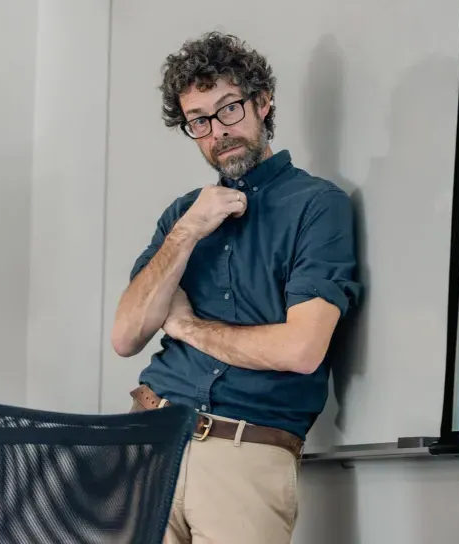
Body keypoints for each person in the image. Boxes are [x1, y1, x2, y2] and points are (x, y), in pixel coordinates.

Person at [110, 31, 361, 543]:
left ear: (263, 102)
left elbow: (301, 349)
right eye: (198, 121)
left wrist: (187, 327)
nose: (217, 132)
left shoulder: (317, 205)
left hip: (244, 454)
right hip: (149, 438)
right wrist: (186, 233)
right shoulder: (183, 214)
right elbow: (126, 335)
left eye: (228, 109)